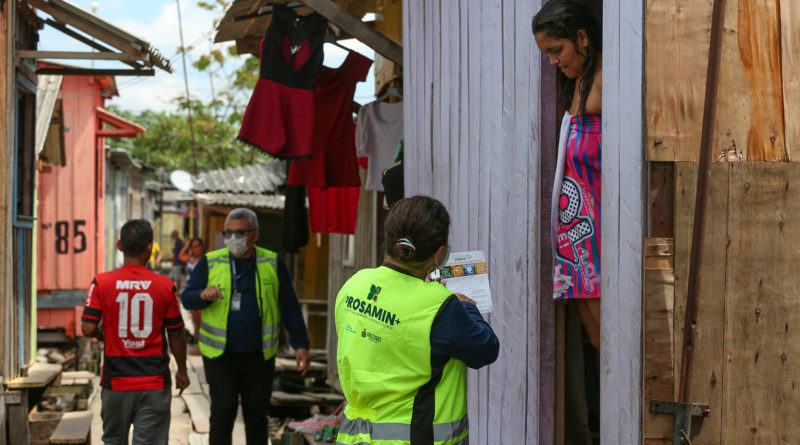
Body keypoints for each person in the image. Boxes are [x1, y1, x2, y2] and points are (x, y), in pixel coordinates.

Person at [334, 195, 499, 445]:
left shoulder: (353, 284)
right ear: (440, 254)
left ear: (389, 241)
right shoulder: (442, 307)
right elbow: (486, 349)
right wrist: (466, 307)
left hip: (354, 438)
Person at [182, 208, 311, 445]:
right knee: (222, 415)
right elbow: (187, 298)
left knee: (257, 417)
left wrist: (301, 345)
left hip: (259, 358)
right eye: (228, 233)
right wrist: (202, 294)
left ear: (255, 235)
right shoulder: (211, 261)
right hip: (220, 356)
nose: (233, 238)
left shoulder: (272, 262)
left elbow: (290, 305)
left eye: (239, 232)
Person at [81, 219, 190, 445]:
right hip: (154, 382)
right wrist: (181, 370)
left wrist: (104, 332)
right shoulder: (164, 285)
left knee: (113, 441)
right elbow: (176, 333)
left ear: (120, 245)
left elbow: (88, 328)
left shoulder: (101, 283)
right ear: (150, 247)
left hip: (116, 381)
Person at [534, 0, 602, 350]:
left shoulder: (604, 81)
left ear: (582, 38)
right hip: (576, 238)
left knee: (612, 342)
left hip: (599, 235)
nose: (553, 62)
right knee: (597, 343)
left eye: (557, 50)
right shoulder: (576, 84)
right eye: (547, 53)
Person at [179, 237, 207, 350]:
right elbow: (180, 256)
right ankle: (198, 343)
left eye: (199, 246)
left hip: (201, 291)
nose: (197, 249)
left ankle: (202, 345)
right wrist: (187, 244)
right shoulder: (190, 259)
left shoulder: (205, 259)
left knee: (202, 320)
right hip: (191, 291)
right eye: (194, 247)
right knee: (195, 319)